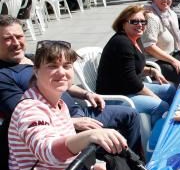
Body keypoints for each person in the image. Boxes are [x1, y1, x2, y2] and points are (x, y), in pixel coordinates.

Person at [4, 40, 128, 170]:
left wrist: (95, 166)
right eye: (52, 66)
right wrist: (89, 135)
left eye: (67, 66)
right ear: (35, 70)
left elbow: (62, 158)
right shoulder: (30, 109)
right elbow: (47, 150)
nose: (61, 72)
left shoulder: (58, 104)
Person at [0, 16, 142, 152]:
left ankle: (133, 164)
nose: (16, 43)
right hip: (61, 124)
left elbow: (64, 82)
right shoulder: (3, 75)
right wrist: (72, 122)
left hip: (77, 109)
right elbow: (21, 115)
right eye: (7, 39)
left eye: (19, 37)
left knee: (130, 115)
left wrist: (87, 94)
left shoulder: (33, 58)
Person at [96, 5, 175, 126]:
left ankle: (166, 123)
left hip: (127, 88)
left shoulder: (133, 39)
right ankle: (154, 141)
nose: (140, 25)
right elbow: (131, 81)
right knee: (161, 105)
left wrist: (152, 71)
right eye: (134, 21)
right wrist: (154, 97)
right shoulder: (122, 43)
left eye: (143, 21)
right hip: (116, 96)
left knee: (170, 89)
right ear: (123, 24)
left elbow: (130, 67)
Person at [141, 0, 180, 85]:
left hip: (171, 54)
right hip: (156, 61)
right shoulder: (151, 17)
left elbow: (174, 36)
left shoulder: (170, 14)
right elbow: (149, 47)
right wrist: (173, 61)